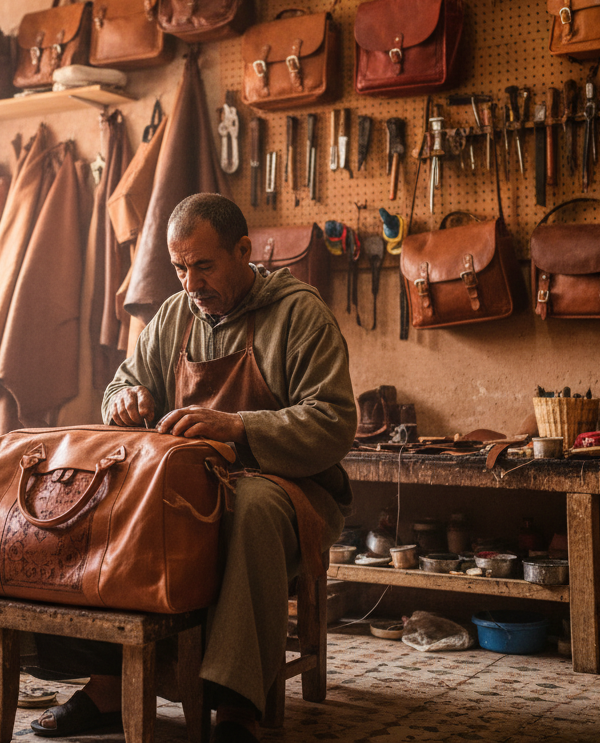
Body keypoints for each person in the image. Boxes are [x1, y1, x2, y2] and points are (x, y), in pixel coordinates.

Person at [31, 193, 357, 743]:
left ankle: (235, 708)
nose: (191, 282)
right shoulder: (175, 315)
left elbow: (333, 422)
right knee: (107, 496)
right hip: (195, 482)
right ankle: (107, 683)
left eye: (204, 265)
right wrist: (124, 400)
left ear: (243, 251)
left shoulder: (299, 314)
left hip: (292, 488)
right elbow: (119, 383)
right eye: (180, 268)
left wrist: (240, 429)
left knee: (248, 510)